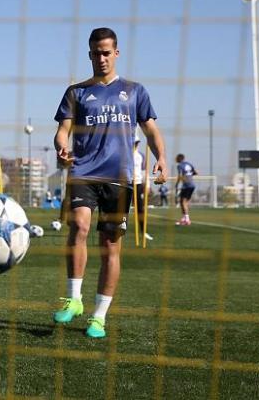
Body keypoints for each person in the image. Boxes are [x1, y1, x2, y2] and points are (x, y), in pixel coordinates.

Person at [52, 27, 167, 338]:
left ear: (116, 53)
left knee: (109, 247)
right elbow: (63, 130)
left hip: (119, 179)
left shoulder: (135, 91)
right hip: (83, 171)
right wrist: (61, 146)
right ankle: (74, 298)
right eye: (96, 53)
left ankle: (98, 316)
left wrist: (161, 157)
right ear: (89, 54)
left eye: (107, 52)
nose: (101, 58)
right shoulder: (76, 92)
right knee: (79, 225)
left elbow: (152, 131)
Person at [133, 135, 153, 241]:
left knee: (140, 209)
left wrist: (148, 185)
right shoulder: (123, 154)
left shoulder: (141, 155)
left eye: (136, 142)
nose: (135, 144)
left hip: (138, 184)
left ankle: (144, 231)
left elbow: (145, 172)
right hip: (125, 184)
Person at [174, 154, 198, 225]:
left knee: (183, 201)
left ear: (179, 159)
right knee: (185, 202)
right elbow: (196, 173)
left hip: (186, 185)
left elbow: (180, 175)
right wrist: (189, 175)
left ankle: (187, 219)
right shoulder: (189, 164)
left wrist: (177, 184)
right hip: (192, 185)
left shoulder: (180, 165)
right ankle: (184, 218)